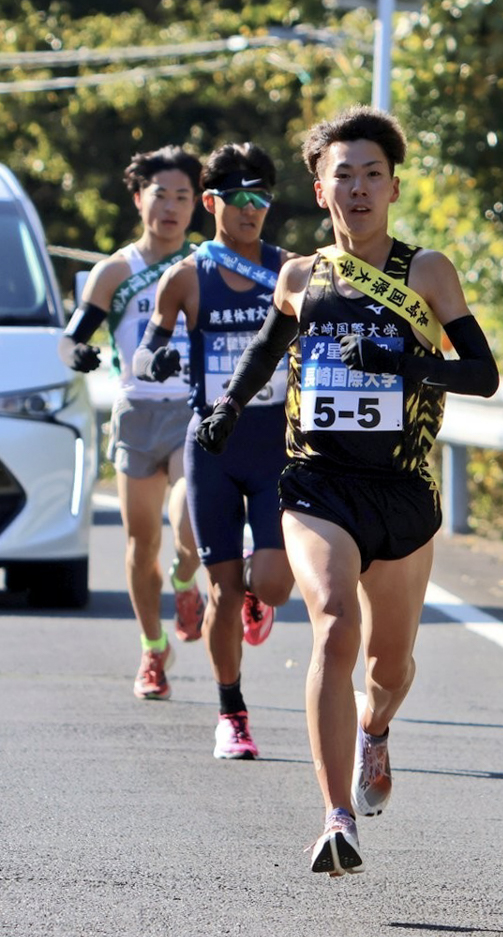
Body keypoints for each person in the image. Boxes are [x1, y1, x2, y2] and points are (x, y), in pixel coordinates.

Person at [195, 106, 499, 875]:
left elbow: (483, 375)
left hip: (399, 489)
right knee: (332, 621)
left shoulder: (425, 271)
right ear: (320, 188)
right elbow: (266, 351)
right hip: (315, 482)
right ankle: (335, 819)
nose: (357, 189)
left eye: (371, 175)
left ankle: (375, 730)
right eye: (343, 176)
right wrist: (227, 409)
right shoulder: (300, 275)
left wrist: (406, 366)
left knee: (389, 668)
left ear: (392, 187)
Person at [133, 142, 295, 760]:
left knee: (275, 584)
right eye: (239, 198)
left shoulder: (290, 270)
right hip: (214, 446)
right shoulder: (186, 277)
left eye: (262, 197)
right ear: (212, 203)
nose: (252, 210)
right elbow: (147, 354)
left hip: (276, 443)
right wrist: (162, 358)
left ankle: (259, 592)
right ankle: (232, 714)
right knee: (222, 593)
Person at [59, 144, 206, 702]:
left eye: (182, 197)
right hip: (138, 411)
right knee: (140, 543)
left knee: (188, 518)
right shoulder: (114, 271)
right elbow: (72, 339)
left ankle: (188, 580)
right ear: (139, 196)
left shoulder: (204, 266)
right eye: (160, 195)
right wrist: (79, 356)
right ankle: (152, 648)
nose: (170, 207)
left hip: (193, 408)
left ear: (198, 205)